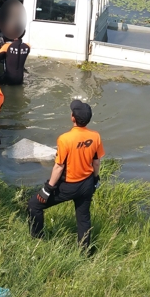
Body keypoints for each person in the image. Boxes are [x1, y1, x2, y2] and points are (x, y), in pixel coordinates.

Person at [27, 99, 105, 249]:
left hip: (68, 186)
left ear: (73, 118)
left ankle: (37, 240)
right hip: (87, 183)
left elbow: (59, 166)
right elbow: (96, 162)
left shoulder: (65, 139)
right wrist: (95, 179)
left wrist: (47, 189)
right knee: (83, 218)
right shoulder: (96, 136)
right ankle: (85, 252)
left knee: (34, 205)